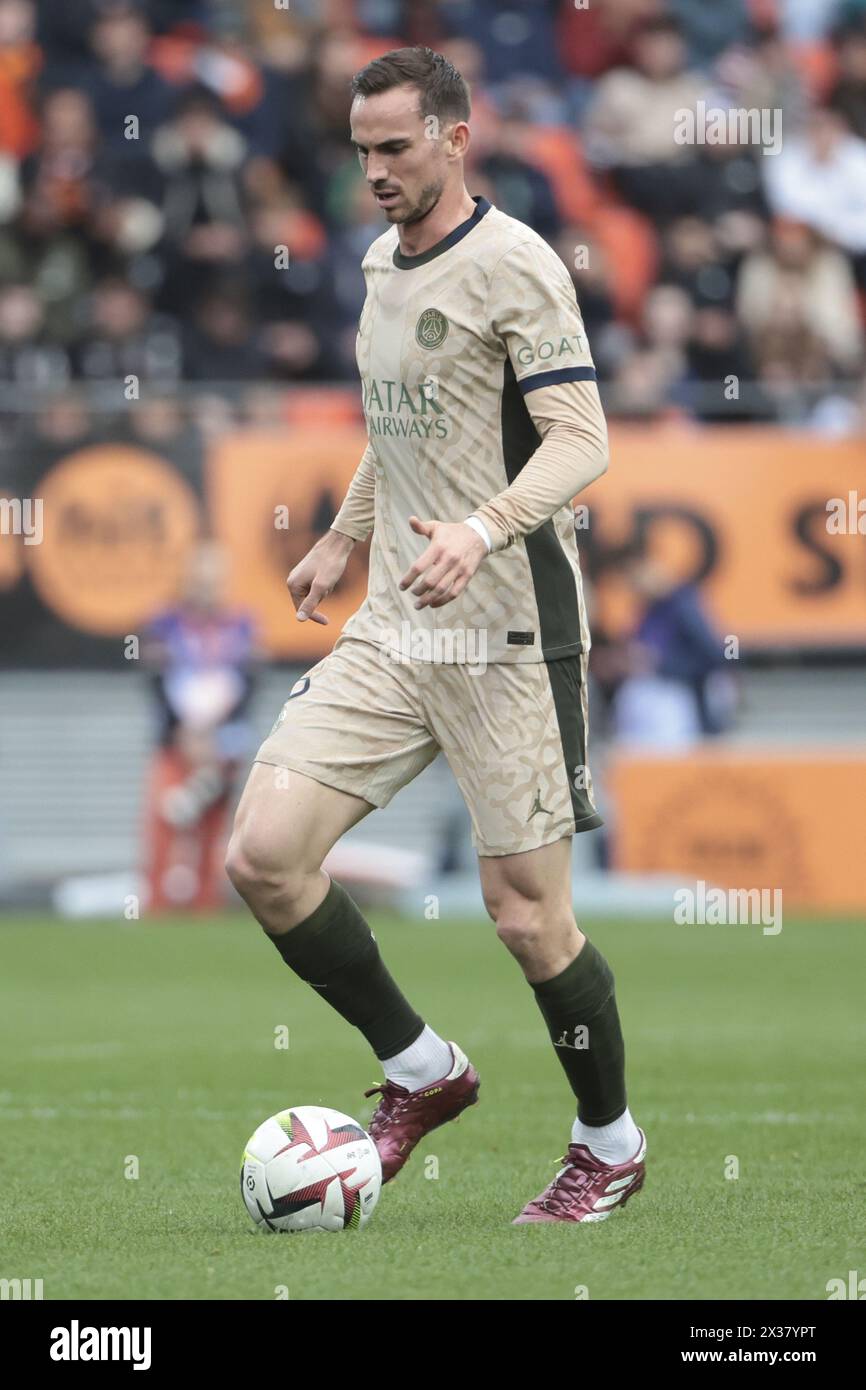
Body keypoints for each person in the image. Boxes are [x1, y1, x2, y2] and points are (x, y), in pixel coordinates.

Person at [226, 46, 646, 1225]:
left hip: (510, 633)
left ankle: (606, 1143)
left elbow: (579, 441)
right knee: (261, 855)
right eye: (361, 149)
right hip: (396, 624)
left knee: (526, 917)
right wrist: (343, 532)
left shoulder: (518, 267)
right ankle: (421, 1069)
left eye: (395, 147)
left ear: (456, 137)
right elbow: (397, 421)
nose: (373, 170)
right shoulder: (375, 262)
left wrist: (480, 526)